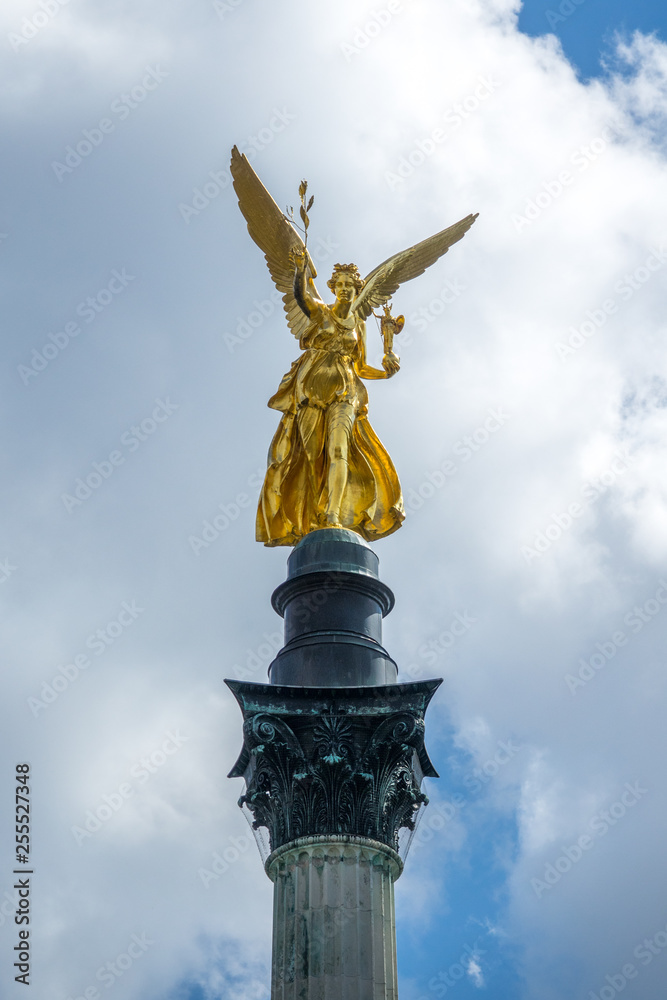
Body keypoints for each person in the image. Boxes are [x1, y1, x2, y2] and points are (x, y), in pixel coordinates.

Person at [256, 255, 405, 546]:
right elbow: (300, 295)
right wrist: (300, 268)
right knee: (311, 458)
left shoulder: (357, 325)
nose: (346, 289)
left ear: (358, 289)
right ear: (333, 287)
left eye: (351, 285)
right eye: (341, 284)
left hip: (345, 393)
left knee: (339, 451)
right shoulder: (320, 312)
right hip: (310, 392)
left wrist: (386, 372)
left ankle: (334, 515)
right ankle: (315, 515)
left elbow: (360, 367)